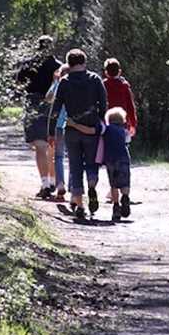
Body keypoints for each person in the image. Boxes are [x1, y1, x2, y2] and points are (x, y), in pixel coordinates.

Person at [50, 49, 107, 219]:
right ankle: (91, 184)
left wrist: (51, 132)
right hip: (91, 129)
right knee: (92, 162)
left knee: (75, 166)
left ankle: (80, 204)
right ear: (84, 61)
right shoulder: (95, 79)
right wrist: (102, 124)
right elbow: (104, 104)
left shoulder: (65, 82)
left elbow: (56, 108)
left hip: (72, 130)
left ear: (69, 63)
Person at [15, 36, 62, 199]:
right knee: (52, 146)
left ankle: (45, 184)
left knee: (40, 146)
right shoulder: (58, 67)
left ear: (38, 47)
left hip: (33, 103)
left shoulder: (28, 64)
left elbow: (19, 84)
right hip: (53, 106)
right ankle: (54, 181)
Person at [67, 107, 132, 221]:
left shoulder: (105, 129)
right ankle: (125, 197)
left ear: (109, 119)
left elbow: (92, 131)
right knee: (125, 182)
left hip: (110, 159)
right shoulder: (125, 131)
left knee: (113, 184)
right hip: (124, 159)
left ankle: (116, 206)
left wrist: (74, 125)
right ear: (122, 120)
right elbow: (127, 141)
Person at [102, 58, 138, 201]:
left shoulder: (103, 85)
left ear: (106, 72)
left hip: (107, 124)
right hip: (122, 124)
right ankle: (121, 187)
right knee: (122, 154)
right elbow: (130, 106)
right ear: (120, 71)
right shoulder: (124, 86)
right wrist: (133, 123)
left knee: (110, 156)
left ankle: (113, 189)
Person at [46, 64, 70, 201]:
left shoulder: (58, 85)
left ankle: (60, 184)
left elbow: (48, 98)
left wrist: (55, 81)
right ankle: (75, 187)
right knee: (74, 158)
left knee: (59, 157)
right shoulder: (74, 86)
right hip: (73, 125)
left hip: (58, 125)